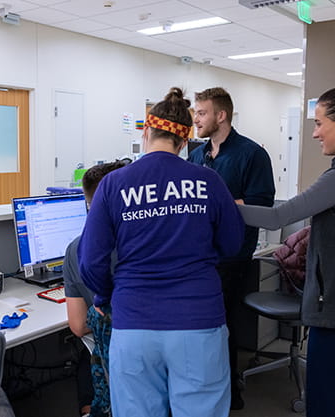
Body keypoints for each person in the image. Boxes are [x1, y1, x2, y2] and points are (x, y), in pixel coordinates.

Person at [78, 87, 245, 417]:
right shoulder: (208, 181)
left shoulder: (113, 184)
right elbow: (232, 244)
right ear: (184, 141)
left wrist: (113, 294)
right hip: (197, 322)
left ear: (146, 131)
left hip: (134, 322)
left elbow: (90, 262)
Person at [237, 78, 335, 417]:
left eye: (319, 123)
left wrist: (218, 203)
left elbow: (278, 216)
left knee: (327, 405)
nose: (314, 133)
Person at [188, 87, 275, 409]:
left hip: (231, 255)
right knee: (200, 325)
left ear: (221, 115)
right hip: (197, 255)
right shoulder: (197, 156)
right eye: (196, 113)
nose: (195, 119)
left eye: (201, 113)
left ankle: (228, 394)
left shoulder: (251, 154)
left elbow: (262, 205)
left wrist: (220, 203)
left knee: (220, 323)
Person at [64, 161, 128, 417]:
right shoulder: (145, 241)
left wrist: (102, 316)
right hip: (154, 361)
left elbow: (78, 326)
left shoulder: (75, 250)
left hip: (112, 363)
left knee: (86, 351)